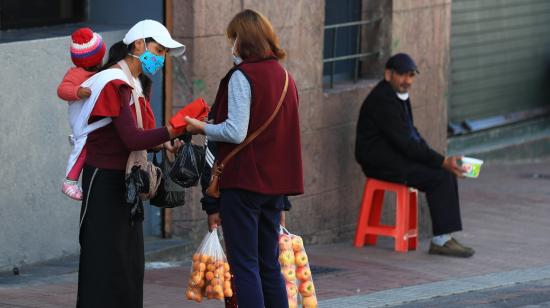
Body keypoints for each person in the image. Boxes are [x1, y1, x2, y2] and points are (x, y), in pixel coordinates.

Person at [185, 9, 303, 308]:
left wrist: (200, 126)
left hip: (243, 182)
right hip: (275, 186)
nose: (231, 46)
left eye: (232, 39)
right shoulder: (285, 77)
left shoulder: (242, 76)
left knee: (245, 266)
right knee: (268, 264)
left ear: (241, 41)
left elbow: (235, 131)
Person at [76, 20, 185, 308]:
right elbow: (131, 138)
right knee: (103, 267)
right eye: (158, 50)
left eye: (163, 53)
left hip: (126, 184)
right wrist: (174, 130)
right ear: (139, 44)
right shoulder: (114, 82)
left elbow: (141, 137)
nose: (160, 59)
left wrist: (164, 142)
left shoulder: (134, 84)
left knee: (128, 266)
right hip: (105, 182)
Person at [355, 53, 475, 258]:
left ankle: (443, 237)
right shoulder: (383, 101)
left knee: (443, 171)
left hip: (396, 157)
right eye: (402, 76)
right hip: (380, 163)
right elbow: (406, 143)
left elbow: (412, 133)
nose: (407, 81)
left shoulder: (398, 95)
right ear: (388, 74)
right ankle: (441, 241)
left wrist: (439, 159)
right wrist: (441, 161)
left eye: (411, 76)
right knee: (440, 176)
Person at [57, 27, 106, 200]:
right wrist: (78, 91)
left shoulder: (100, 73)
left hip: (89, 121)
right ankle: (69, 181)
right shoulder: (76, 74)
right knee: (82, 149)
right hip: (80, 120)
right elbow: (62, 90)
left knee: (86, 148)